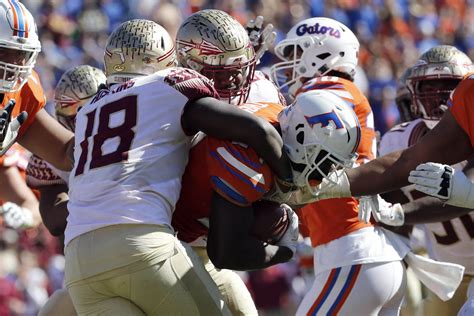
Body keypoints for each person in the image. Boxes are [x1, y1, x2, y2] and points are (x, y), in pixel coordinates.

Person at [64, 19, 292, 316]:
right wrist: (287, 179)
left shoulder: (88, 112)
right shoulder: (170, 84)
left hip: (79, 261)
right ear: (170, 60)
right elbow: (254, 130)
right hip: (141, 241)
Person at [271, 17, 408, 315]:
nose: (291, 65)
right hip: (365, 253)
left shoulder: (327, 89)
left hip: (353, 253)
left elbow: (288, 137)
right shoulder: (342, 91)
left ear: (321, 53)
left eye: (297, 54)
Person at [376, 45, 474, 316]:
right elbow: (392, 219)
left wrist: (399, 214)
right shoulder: (398, 140)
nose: (441, 101)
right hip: (449, 272)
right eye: (430, 91)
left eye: (450, 89)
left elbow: (462, 201)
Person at [0, 0, 74, 170]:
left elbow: (64, 152)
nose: (13, 65)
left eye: (20, 53)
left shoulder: (22, 90)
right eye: (3, 52)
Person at [176, 9, 285, 106]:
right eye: (220, 72)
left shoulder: (261, 91)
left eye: (237, 69)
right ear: (191, 66)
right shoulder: (176, 100)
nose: (230, 79)